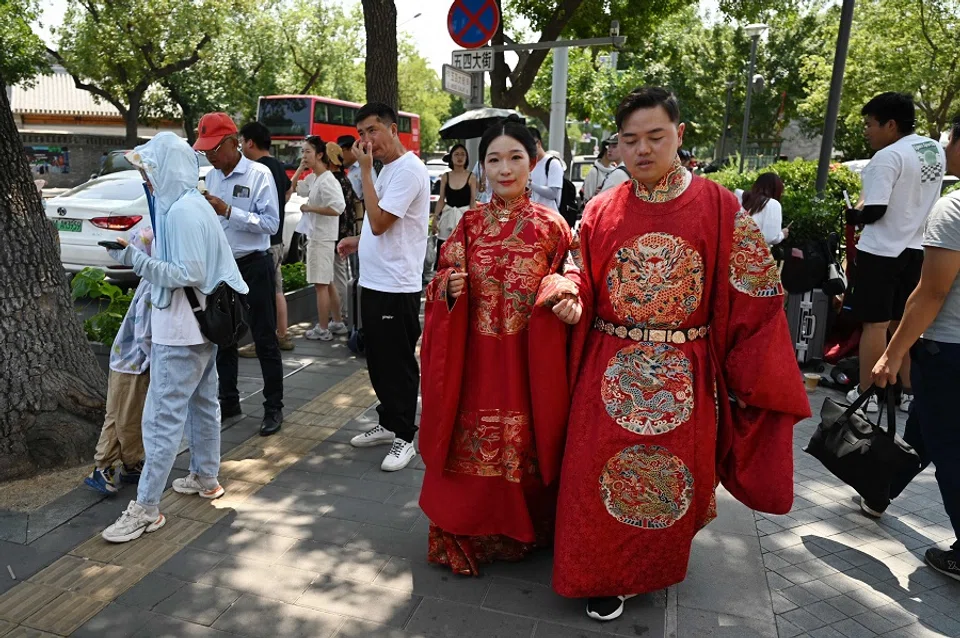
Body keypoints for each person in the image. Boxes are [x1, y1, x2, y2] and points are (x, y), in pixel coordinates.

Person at [553, 87, 810, 621]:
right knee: (596, 476)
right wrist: (569, 292)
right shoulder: (601, 208)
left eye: (655, 137)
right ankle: (600, 574)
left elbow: (756, 296)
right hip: (607, 367)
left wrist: (750, 378)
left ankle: (645, 571)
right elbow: (581, 267)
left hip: (683, 376)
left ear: (679, 135)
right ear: (617, 145)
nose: (642, 150)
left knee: (664, 478)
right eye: (630, 140)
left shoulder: (718, 206)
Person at [419, 116, 579, 576]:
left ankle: (525, 529)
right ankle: (469, 528)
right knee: (468, 445)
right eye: (494, 160)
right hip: (476, 362)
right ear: (482, 167)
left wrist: (568, 294)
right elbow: (440, 278)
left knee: (525, 444)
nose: (505, 169)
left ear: (532, 162)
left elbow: (571, 272)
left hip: (529, 363)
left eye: (515, 158)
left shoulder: (553, 227)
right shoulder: (469, 224)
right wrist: (448, 288)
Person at [100, 133, 247, 543]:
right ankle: (205, 476)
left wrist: (135, 258)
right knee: (202, 403)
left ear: (165, 170)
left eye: (148, 168)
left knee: (161, 420)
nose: (145, 177)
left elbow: (187, 273)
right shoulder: (190, 204)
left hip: (181, 330)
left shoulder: (181, 211)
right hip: (200, 328)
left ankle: (146, 508)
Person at [869, 114, 960, 581]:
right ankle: (879, 488)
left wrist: (893, 351)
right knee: (924, 430)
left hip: (949, 347)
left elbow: (932, 292)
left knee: (948, 449)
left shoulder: (954, 208)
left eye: (949, 138)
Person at [337, 103, 430, 472]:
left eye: (372, 130)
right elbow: (383, 227)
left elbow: (378, 222)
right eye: (361, 133)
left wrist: (363, 170)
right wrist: (356, 241)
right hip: (375, 280)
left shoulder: (408, 170)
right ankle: (388, 421)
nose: (366, 140)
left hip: (396, 285)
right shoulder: (387, 169)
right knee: (376, 360)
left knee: (398, 365)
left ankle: (405, 437)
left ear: (394, 130)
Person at [845, 92, 945, 414]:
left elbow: (874, 210)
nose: (866, 130)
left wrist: (853, 215)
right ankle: (907, 391)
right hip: (917, 248)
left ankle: (868, 395)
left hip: (881, 251)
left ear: (890, 124)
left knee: (873, 325)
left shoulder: (887, 157)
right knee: (903, 323)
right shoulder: (932, 149)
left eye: (870, 124)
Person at [194, 112, 284, 437]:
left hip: (253, 265)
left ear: (233, 143)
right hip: (221, 265)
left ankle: (273, 406)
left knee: (264, 337)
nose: (210, 156)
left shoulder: (259, 175)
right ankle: (228, 400)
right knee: (224, 337)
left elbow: (271, 224)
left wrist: (228, 211)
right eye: (205, 150)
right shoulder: (210, 176)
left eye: (214, 149)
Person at [83, 228, 154, 495]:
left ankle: (132, 462)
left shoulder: (151, 281)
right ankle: (105, 466)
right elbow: (145, 334)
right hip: (131, 361)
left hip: (133, 360)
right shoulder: (153, 286)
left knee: (130, 414)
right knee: (120, 415)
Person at [237, 121, 294, 355]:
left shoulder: (258, 170)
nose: (240, 147)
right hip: (278, 239)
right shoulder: (278, 166)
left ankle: (265, 342)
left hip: (264, 243)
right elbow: (288, 192)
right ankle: (282, 334)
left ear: (250, 142)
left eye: (241, 142)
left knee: (264, 297)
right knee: (276, 289)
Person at [291, 137, 347, 341]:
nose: (304, 155)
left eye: (307, 152)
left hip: (322, 238)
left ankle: (323, 328)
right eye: (303, 151)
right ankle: (337, 321)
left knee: (320, 284)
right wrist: (299, 169)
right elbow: (294, 188)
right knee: (327, 281)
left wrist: (310, 207)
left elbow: (338, 207)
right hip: (319, 236)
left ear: (320, 154)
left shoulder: (327, 180)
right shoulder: (315, 178)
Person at [331, 143, 361, 325]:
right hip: (345, 230)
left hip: (338, 231)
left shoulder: (336, 180)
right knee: (341, 272)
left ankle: (342, 313)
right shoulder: (343, 177)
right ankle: (342, 312)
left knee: (339, 273)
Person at [433, 143, 478, 254]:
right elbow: (441, 199)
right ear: (451, 157)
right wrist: (435, 218)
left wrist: (475, 221)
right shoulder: (445, 176)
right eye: (456, 154)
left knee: (463, 249)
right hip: (447, 215)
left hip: (464, 216)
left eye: (463, 154)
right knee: (444, 247)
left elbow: (473, 200)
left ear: (466, 157)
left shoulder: (471, 176)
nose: (459, 157)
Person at [737, 173, 789, 247]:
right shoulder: (772, 204)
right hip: (754, 254)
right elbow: (770, 238)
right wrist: (782, 234)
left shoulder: (740, 197)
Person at [526, 127, 563, 212]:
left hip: (549, 217)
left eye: (530, 146)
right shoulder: (526, 164)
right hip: (531, 216)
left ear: (538, 143)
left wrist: (531, 184)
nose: (528, 151)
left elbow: (553, 193)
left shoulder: (552, 163)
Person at [581, 137, 621, 202]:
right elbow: (587, 197)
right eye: (608, 147)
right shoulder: (594, 172)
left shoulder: (616, 171)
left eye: (614, 147)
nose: (609, 151)